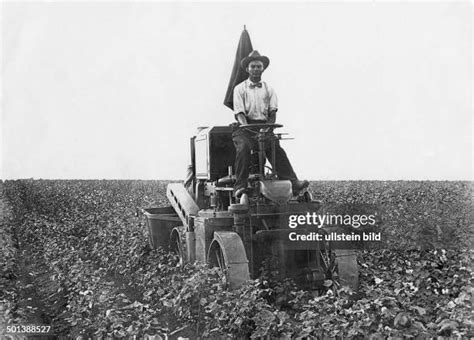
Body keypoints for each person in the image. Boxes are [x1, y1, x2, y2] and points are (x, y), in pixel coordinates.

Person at [232, 50, 309, 197]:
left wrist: (266, 129)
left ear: (263, 69)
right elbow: (240, 113)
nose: (256, 69)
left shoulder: (269, 89)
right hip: (244, 128)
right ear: (247, 69)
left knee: (276, 149)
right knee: (243, 148)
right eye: (253, 66)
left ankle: (293, 182)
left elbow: (272, 114)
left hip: (264, 127)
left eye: (259, 66)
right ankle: (239, 186)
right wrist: (247, 126)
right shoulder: (239, 89)